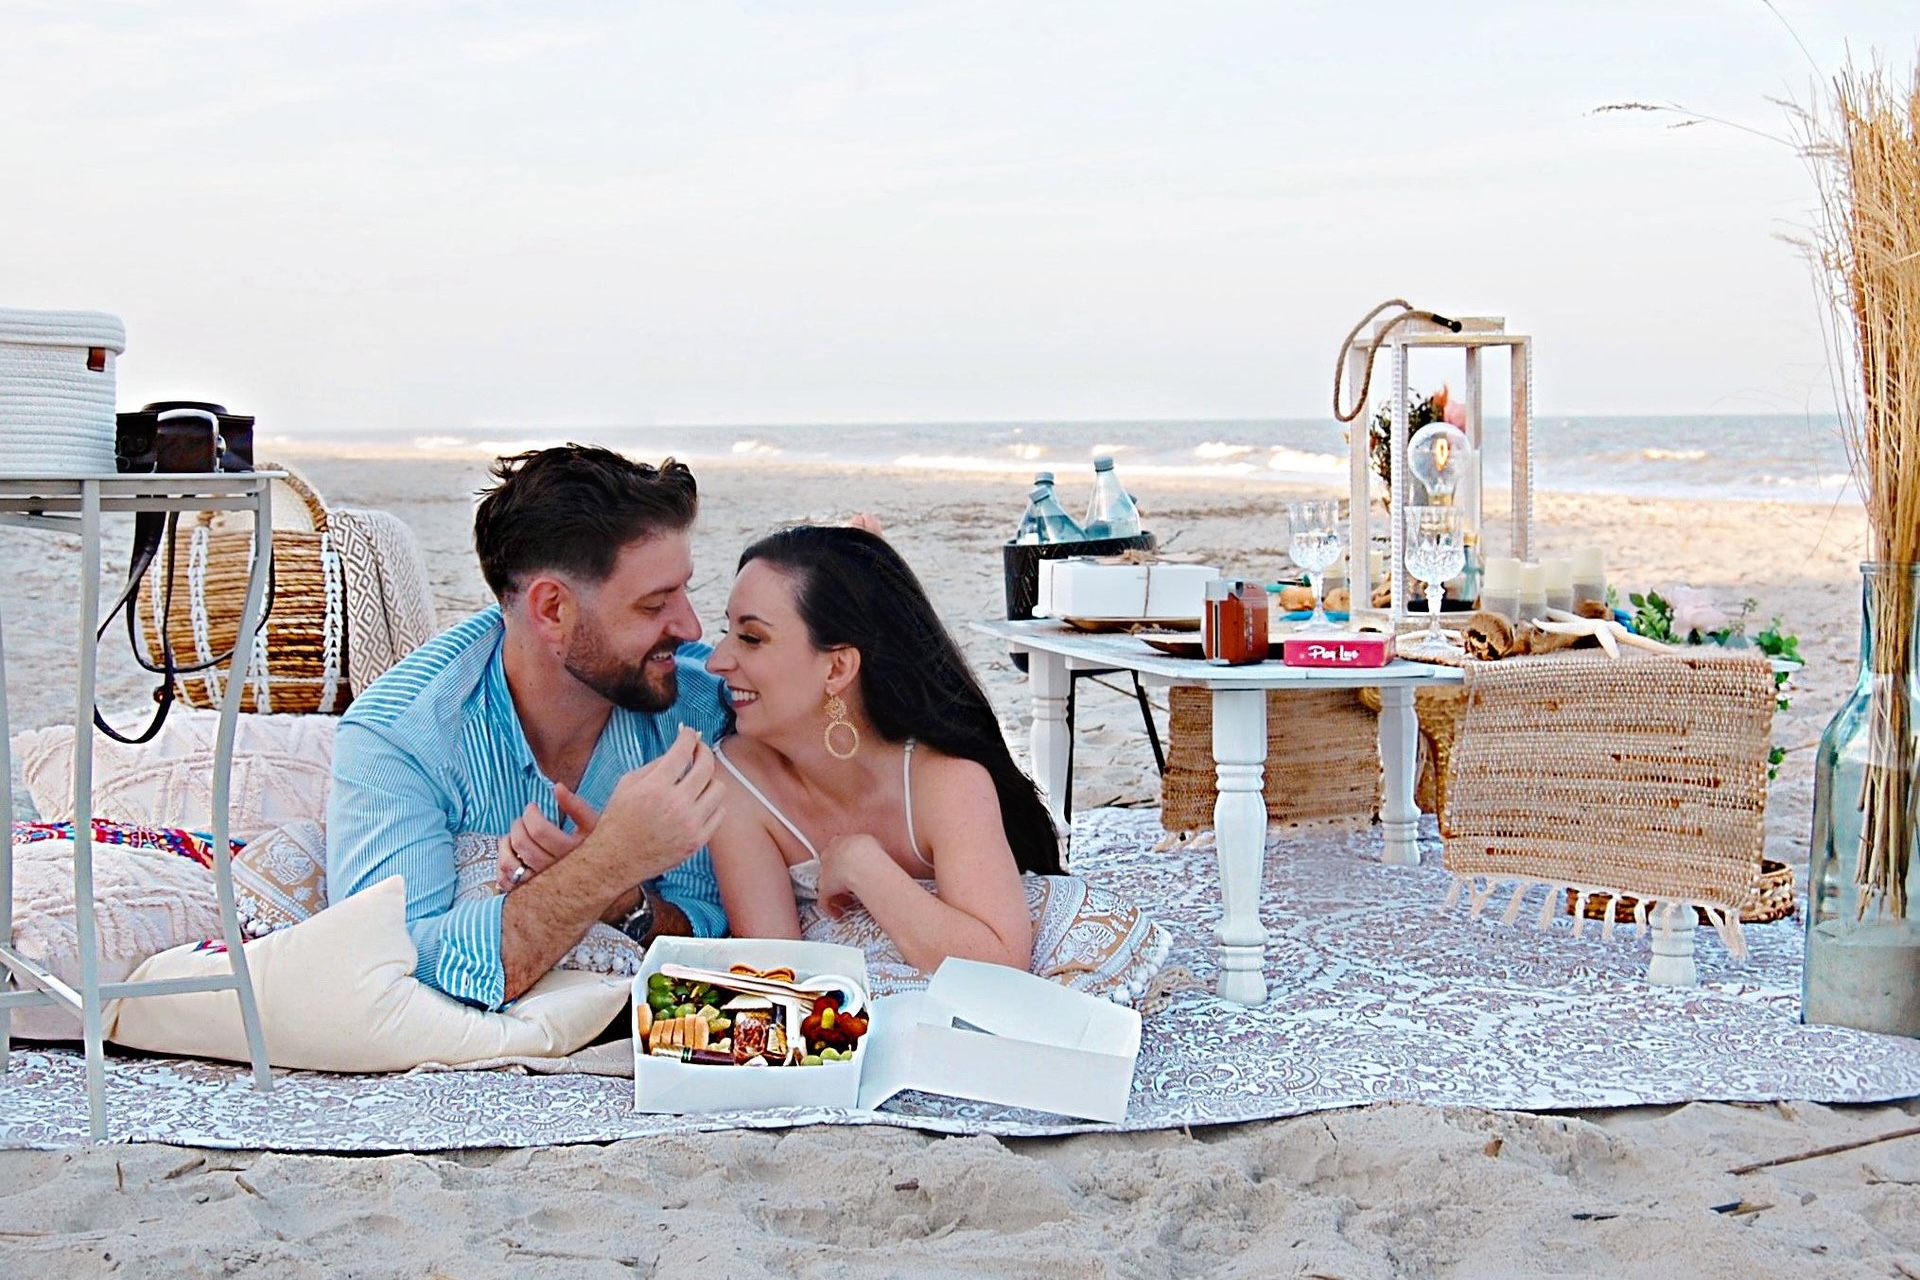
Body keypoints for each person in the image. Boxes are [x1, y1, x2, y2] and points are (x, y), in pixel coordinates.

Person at [326, 445, 730, 1009]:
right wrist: (608, 862)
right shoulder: (400, 735)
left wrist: (622, 900)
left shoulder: (703, 703)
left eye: (685, 591)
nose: (689, 626)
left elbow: (722, 934)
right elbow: (385, 971)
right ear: (551, 610)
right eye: (654, 605)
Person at [702, 525, 1170, 1003]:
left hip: (979, 986)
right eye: (727, 633)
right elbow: (777, 980)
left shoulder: (945, 780)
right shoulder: (736, 780)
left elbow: (999, 968)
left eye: (751, 638)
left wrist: (864, 866)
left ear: (837, 668)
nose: (717, 660)